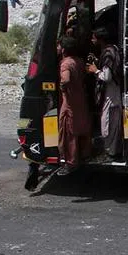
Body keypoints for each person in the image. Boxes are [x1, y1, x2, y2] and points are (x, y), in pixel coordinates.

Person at [56, 36, 92, 176]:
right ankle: (85, 154)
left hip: (69, 102)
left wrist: (62, 87)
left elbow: (66, 79)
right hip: (80, 99)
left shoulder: (65, 63)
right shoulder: (79, 61)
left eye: (59, 46)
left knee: (69, 132)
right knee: (82, 126)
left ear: (64, 49)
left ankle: (71, 162)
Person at [87, 26, 123, 160]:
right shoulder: (111, 49)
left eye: (93, 38)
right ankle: (112, 149)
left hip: (111, 91)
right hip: (113, 90)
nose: (92, 40)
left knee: (107, 122)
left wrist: (95, 71)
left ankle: (110, 151)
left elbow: (106, 77)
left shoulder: (109, 53)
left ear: (100, 39)